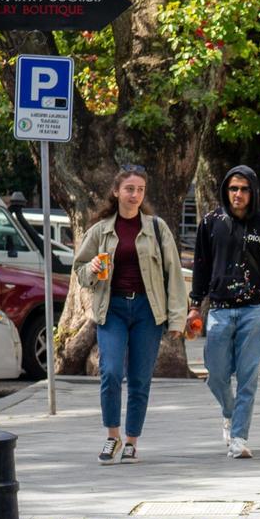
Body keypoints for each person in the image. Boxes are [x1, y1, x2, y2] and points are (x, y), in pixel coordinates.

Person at [73, 165, 188, 465]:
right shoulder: (100, 230)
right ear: (116, 192)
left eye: (139, 189)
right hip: (112, 309)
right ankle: (112, 437)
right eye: (129, 189)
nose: (134, 194)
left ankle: (132, 442)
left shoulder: (156, 228)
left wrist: (177, 320)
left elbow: (173, 274)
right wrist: (92, 270)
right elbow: (80, 270)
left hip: (148, 311)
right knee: (110, 372)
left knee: (139, 378)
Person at [187, 165, 260, 459]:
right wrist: (194, 307)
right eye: (233, 189)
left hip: (253, 311)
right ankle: (229, 412)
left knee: (247, 377)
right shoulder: (210, 223)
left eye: (243, 189)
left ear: (252, 192)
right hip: (218, 310)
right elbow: (200, 266)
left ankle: (239, 437)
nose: (238, 194)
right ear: (226, 191)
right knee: (215, 374)